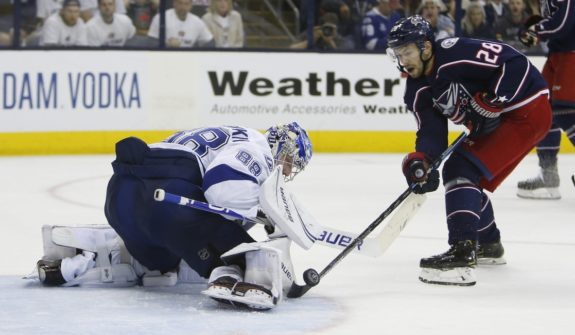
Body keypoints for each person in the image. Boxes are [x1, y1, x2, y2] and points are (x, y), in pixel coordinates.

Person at [36, 122, 313, 310]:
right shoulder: (258, 148)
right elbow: (222, 189)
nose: (287, 173)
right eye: (290, 164)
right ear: (282, 150)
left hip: (121, 197)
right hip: (167, 199)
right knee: (245, 253)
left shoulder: (230, 133)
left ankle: (100, 257)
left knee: (161, 265)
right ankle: (230, 271)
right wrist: (262, 214)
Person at [386, 15, 551, 286]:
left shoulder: (454, 52)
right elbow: (430, 132)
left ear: (426, 47)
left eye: (407, 52)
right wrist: (421, 161)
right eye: (398, 54)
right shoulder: (416, 89)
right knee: (465, 179)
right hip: (502, 123)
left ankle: (462, 255)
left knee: (460, 169)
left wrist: (494, 98)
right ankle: (488, 244)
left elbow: (514, 62)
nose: (403, 60)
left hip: (525, 109)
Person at [516, 0, 575, 199]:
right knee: (543, 109)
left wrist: (537, 30)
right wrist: (535, 29)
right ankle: (548, 175)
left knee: (565, 111)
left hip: (571, 54)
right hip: (558, 54)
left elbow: (564, 22)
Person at [147, 0, 214, 48]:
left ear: (191, 5)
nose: (183, 7)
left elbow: (210, 42)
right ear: (174, 3)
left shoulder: (197, 22)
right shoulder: (161, 17)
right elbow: (150, 42)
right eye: (180, 3)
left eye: (186, 4)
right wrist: (167, 45)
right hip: (165, 56)